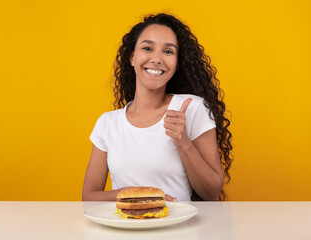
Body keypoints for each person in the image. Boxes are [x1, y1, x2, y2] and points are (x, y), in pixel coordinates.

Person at [82, 13, 233, 202]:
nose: (157, 58)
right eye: (147, 48)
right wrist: (136, 194)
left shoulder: (191, 109)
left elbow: (211, 193)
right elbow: (89, 197)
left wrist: (184, 143)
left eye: (168, 51)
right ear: (132, 58)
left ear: (176, 64)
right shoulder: (108, 123)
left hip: (178, 230)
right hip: (125, 229)